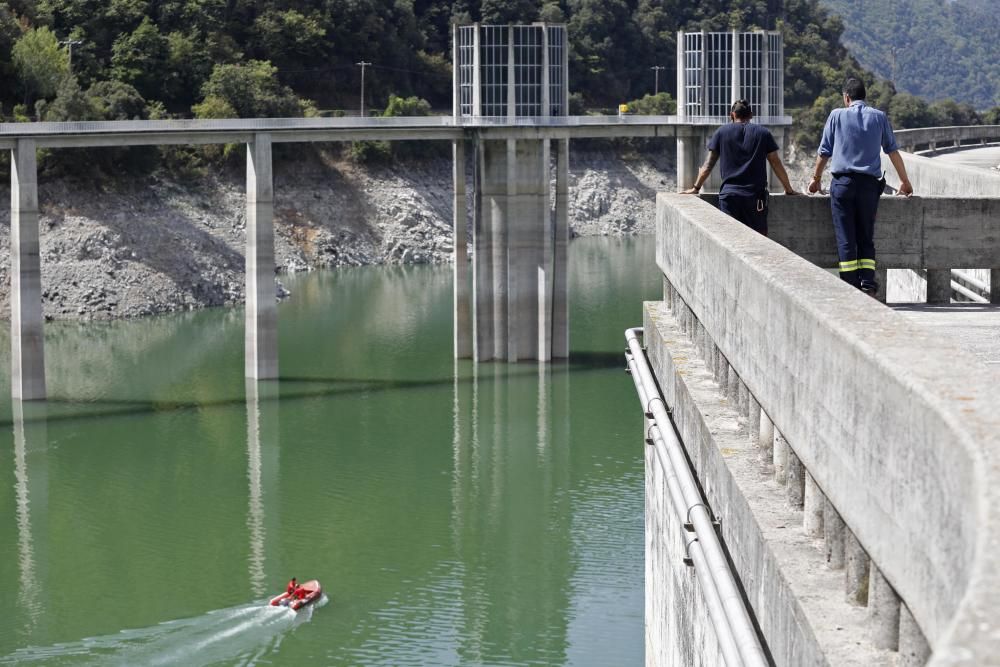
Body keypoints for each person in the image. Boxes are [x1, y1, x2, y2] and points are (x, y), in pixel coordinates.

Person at [808, 77, 913, 295]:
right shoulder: (879, 117)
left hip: (843, 185)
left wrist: (815, 179)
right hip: (868, 187)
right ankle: (867, 281)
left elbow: (824, 152)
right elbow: (892, 151)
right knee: (866, 235)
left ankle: (850, 284)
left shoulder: (836, 115)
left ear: (846, 97)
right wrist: (904, 181)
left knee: (846, 237)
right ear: (864, 96)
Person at [681, 99, 798, 236]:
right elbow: (775, 163)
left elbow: (708, 165)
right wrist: (788, 189)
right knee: (758, 241)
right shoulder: (763, 133)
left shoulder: (721, 132)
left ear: (732, 115)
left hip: (729, 197)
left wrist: (696, 188)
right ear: (751, 115)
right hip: (755, 199)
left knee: (730, 241)